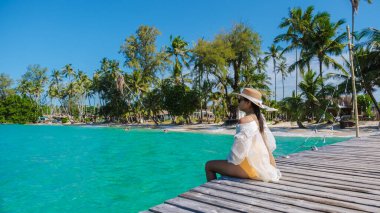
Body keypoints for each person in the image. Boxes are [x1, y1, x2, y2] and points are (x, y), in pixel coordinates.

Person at [205, 88, 282, 182]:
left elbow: (237, 155)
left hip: (249, 169)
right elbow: (267, 145)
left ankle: (213, 194)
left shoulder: (244, 121)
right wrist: (272, 165)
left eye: (239, 100)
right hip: (261, 166)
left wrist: (227, 165)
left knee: (209, 165)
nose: (238, 102)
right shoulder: (260, 118)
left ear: (248, 103)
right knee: (222, 167)